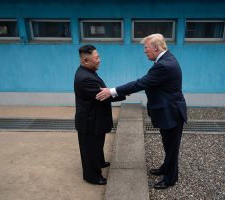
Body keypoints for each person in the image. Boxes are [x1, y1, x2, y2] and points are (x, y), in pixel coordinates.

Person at [96, 33, 187, 189]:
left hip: (170, 113)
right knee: (168, 145)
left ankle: (170, 178)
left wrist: (112, 91)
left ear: (156, 48)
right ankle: (166, 168)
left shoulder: (164, 65)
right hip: (169, 111)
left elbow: (142, 83)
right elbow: (148, 83)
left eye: (146, 48)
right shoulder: (166, 59)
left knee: (172, 148)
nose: (145, 51)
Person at [74, 45, 125, 185]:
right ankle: (92, 176)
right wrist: (124, 91)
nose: (99, 60)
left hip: (94, 118)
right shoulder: (85, 78)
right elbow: (104, 96)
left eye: (99, 57)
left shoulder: (87, 71)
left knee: (97, 145)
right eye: (96, 58)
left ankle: (100, 162)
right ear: (85, 60)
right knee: (90, 149)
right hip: (89, 121)